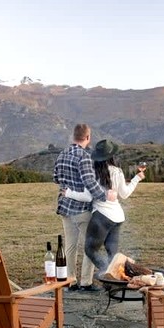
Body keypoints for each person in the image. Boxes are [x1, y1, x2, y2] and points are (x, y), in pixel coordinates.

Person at [63, 139, 145, 274]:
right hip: (118, 217)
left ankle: (109, 272)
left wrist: (68, 192)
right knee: (112, 253)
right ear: (111, 155)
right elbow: (124, 194)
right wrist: (136, 178)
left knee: (90, 250)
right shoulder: (118, 171)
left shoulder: (92, 172)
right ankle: (118, 276)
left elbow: (87, 196)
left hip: (102, 217)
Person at [53, 124, 113, 292]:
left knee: (70, 246)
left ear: (74, 136)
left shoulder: (62, 154)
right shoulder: (84, 157)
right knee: (91, 246)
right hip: (81, 210)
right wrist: (105, 195)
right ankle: (86, 282)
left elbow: (56, 178)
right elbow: (90, 182)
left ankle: (70, 281)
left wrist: (68, 186)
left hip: (65, 207)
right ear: (87, 137)